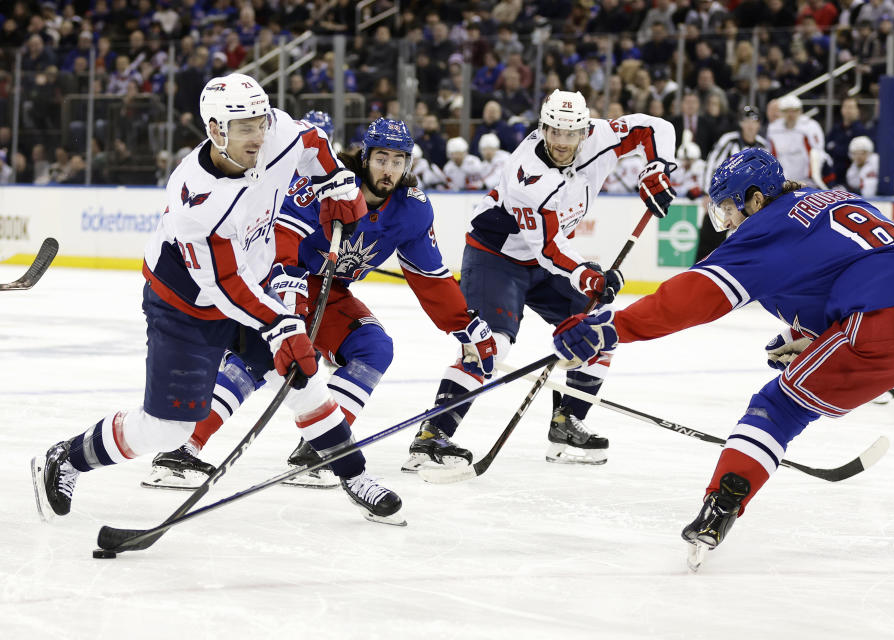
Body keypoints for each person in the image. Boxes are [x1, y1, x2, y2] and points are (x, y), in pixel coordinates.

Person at [551, 148, 894, 569]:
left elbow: (692, 296)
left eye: (728, 207)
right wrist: (803, 334)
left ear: (756, 199)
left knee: (778, 408)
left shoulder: (766, 229)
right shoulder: (833, 199)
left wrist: (610, 328)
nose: (726, 222)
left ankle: (720, 507)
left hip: (887, 321)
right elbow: (853, 267)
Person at [30, 73, 398, 526]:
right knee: (166, 427)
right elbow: (225, 284)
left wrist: (336, 180)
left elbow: (313, 140)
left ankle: (352, 474)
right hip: (187, 305)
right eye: (246, 128)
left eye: (261, 122)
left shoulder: (275, 134)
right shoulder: (197, 202)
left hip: (252, 282)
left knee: (304, 378)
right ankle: (68, 457)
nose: (259, 136)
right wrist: (281, 325)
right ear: (215, 131)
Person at [142, 117, 497, 500]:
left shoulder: (411, 210)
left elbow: (429, 275)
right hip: (276, 279)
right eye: (381, 158)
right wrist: (286, 286)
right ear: (365, 157)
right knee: (259, 358)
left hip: (331, 294)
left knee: (374, 347)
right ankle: (180, 451)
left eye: (398, 161)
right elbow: (282, 231)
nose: (389, 169)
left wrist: (464, 325)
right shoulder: (332, 184)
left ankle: (318, 450)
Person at [404, 89, 677, 471]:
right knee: (491, 346)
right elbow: (548, 248)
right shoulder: (527, 175)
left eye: (571, 134)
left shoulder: (601, 136)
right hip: (496, 257)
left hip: (542, 259)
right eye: (554, 132)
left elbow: (655, 127)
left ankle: (567, 421)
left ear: (585, 131)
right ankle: (434, 434)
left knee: (597, 327)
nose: (562, 143)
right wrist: (587, 274)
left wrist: (657, 167)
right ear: (542, 127)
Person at [696, 105, 769, 261]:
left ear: (759, 124)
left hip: (749, 204)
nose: (750, 125)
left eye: (754, 121)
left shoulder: (762, 145)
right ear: (741, 123)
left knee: (744, 243)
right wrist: (707, 193)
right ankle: (700, 273)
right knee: (710, 240)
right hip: (724, 200)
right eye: (746, 120)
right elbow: (712, 164)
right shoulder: (729, 140)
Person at [766, 95, 828, 188]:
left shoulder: (810, 127)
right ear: (781, 112)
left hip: (806, 180)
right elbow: (771, 154)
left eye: (794, 111)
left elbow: (817, 152)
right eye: (787, 111)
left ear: (800, 111)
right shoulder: (773, 129)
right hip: (783, 181)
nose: (791, 114)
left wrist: (814, 177)